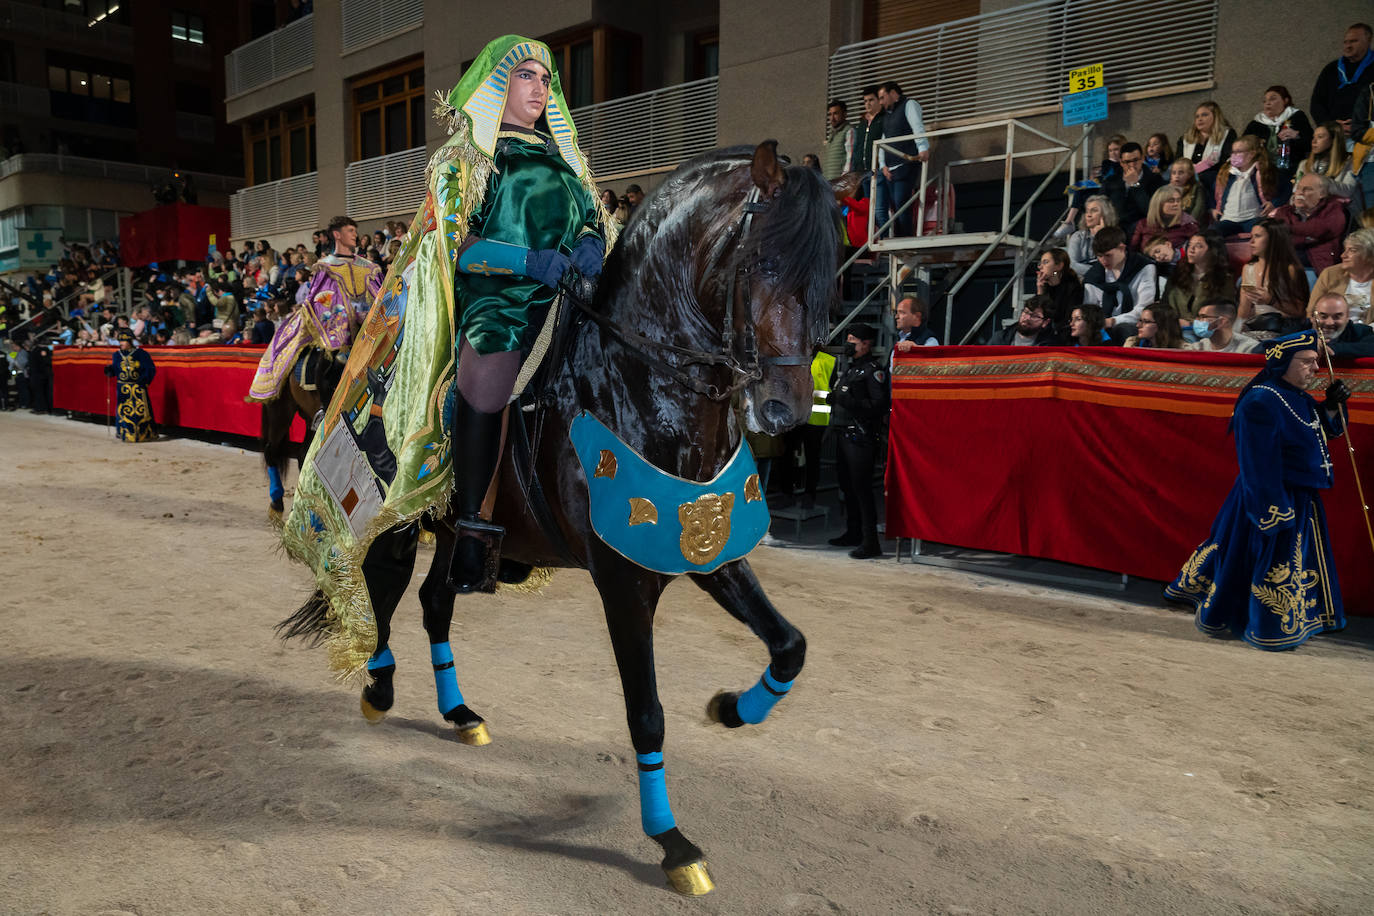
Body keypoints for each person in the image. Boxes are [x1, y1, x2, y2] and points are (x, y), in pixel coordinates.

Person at [1166, 330, 1348, 651]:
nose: (1316, 369)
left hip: (1301, 496)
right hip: (1271, 498)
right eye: (1307, 362)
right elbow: (1257, 464)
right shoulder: (1261, 400)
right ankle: (1267, 627)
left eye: (1316, 362)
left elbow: (1321, 432)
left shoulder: (1297, 396)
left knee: (1286, 561)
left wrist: (1332, 407)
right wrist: (1273, 509)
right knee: (1265, 559)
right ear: (1283, 364)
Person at [247, 214, 382, 402]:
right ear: (337, 235)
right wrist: (354, 315)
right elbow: (320, 301)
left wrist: (376, 310)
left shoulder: (368, 267)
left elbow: (380, 294)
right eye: (350, 231)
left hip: (371, 324)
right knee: (331, 365)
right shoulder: (325, 267)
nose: (354, 235)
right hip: (340, 326)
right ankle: (326, 409)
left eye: (355, 231)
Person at [827, 322, 888, 559]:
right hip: (844, 436)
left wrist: (846, 399)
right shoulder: (851, 370)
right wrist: (836, 398)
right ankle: (853, 533)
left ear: (866, 343)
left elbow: (878, 406)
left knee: (861, 490)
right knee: (848, 488)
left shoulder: (873, 371)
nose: (848, 345)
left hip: (861, 439)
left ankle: (871, 541)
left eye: (853, 341)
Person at [777, 348, 836, 511]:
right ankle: (787, 493)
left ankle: (809, 495)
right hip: (793, 416)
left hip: (815, 418)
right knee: (787, 455)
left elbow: (832, 390)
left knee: (812, 458)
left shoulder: (828, 360)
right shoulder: (791, 356)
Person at [874, 80, 930, 238]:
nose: (881, 102)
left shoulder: (909, 104)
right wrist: (883, 164)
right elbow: (884, 140)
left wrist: (923, 148)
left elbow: (917, 126)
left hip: (907, 163)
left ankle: (905, 238)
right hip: (891, 168)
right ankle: (900, 238)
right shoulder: (887, 116)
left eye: (882, 97)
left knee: (901, 203)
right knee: (896, 206)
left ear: (893, 94)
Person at [1238, 219, 1310, 335]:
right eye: (1251, 236)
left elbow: (1299, 311)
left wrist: (1271, 301)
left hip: (1284, 328)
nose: (1251, 241)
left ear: (1273, 240)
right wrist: (1236, 330)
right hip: (1257, 326)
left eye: (1257, 236)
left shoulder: (1290, 270)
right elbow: (1244, 308)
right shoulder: (1248, 268)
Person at [1082, 225, 1157, 334]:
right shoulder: (1094, 276)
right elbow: (1089, 310)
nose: (1103, 260)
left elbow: (1144, 308)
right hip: (1101, 326)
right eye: (1099, 256)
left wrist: (1113, 321)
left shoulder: (1143, 267)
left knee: (1122, 330)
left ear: (1122, 248)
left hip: (1135, 325)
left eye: (1108, 255)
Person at [1272, 173, 1348, 272]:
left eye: (1307, 189)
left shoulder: (1333, 209)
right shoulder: (1284, 212)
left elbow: (1322, 230)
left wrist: (1292, 229)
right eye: (1298, 188)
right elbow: (1280, 237)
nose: (1300, 193)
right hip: (1286, 264)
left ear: (1322, 194)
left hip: (1319, 266)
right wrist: (1307, 237)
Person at [1242, 85, 1313, 189]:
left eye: (1273, 99)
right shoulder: (1256, 123)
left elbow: (1310, 143)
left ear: (1285, 100)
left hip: (1291, 166)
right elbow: (1242, 145)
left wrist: (1296, 136)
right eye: (1264, 101)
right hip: (1262, 167)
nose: (1268, 103)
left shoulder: (1297, 117)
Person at [1309, 23, 1374, 129]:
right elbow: (1317, 104)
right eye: (1345, 42)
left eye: (1353, 41)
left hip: (1368, 136)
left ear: (1368, 41)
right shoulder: (1331, 69)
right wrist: (1331, 126)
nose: (1348, 46)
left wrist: (1362, 126)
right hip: (1336, 136)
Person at [1165, 231, 1235, 330]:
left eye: (1198, 246)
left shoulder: (1223, 279)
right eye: (1189, 245)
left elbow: (1225, 314)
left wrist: (1191, 325)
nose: (1191, 250)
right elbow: (1165, 306)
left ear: (1212, 251)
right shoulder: (1177, 274)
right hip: (1174, 330)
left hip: (1207, 333)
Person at [1212, 134, 1276, 236]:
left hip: (1253, 218)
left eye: (1238, 152)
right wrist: (1213, 209)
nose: (1234, 155)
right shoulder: (1227, 173)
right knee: (1212, 232)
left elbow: (1286, 188)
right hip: (1229, 219)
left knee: (1264, 231)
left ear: (1251, 154)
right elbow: (1213, 192)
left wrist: (1274, 203)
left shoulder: (1262, 171)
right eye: (1233, 152)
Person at [1308, 228, 1374, 322]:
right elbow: (1312, 312)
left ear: (1370, 255)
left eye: (1352, 250)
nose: (1343, 255)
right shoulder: (1330, 274)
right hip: (1332, 331)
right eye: (1345, 249)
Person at [1103, 141, 1164, 239]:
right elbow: (1104, 205)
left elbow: (1151, 212)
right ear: (1121, 162)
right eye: (1127, 162)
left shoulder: (1155, 180)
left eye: (1135, 160)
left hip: (1142, 229)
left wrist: (1135, 185)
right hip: (1115, 228)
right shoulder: (1111, 181)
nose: (1132, 165)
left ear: (1142, 159)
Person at [103, 328, 156, 441]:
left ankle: (143, 433)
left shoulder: (141, 354)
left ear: (130, 341)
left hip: (138, 388)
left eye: (123, 341)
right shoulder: (117, 355)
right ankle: (124, 432)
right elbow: (116, 369)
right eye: (120, 341)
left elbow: (150, 369)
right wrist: (110, 370)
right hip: (123, 388)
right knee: (123, 410)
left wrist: (144, 381)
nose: (121, 343)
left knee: (141, 411)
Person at [1177, 101, 1237, 189]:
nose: (1199, 119)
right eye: (1197, 116)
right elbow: (1178, 162)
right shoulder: (1185, 139)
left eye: (1204, 115)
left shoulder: (1227, 134)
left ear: (1215, 117)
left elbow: (1226, 161)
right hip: (1189, 179)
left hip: (1213, 179)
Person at [1295, 121, 1359, 200]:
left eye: (1320, 137)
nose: (1314, 141)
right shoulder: (1304, 164)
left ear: (1333, 140)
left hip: (1338, 210)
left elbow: (1348, 190)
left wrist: (1320, 181)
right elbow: (1296, 190)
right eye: (1313, 137)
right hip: (1310, 210)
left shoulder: (1350, 161)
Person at [1128, 186, 1198, 254]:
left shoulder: (1189, 225)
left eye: (1178, 200)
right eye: (1171, 201)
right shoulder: (1143, 224)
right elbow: (1133, 251)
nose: (1176, 204)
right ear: (1159, 203)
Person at [1033, 247, 1082, 333]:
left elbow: (1062, 317)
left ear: (1059, 266)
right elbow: (1036, 315)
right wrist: (1040, 290)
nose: (1040, 267)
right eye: (1040, 263)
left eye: (1045, 262)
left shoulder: (1073, 287)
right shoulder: (1044, 287)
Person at [1067, 194, 1118, 276]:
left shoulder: (1116, 236)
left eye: (1094, 210)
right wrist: (1099, 272)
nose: (1088, 215)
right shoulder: (1078, 236)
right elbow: (1071, 265)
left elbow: (1115, 265)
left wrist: (1102, 236)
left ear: (1105, 214)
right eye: (1087, 211)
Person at [1312, 291, 1374, 357]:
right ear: (1312, 316)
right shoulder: (1302, 329)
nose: (1329, 323)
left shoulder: (1361, 332)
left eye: (1337, 317)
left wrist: (1333, 348)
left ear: (1347, 317)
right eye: (1323, 316)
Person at [1192, 299, 1259, 353]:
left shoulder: (1250, 349)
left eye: (1203, 316)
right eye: (1198, 317)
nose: (1197, 320)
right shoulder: (1199, 347)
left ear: (1222, 321)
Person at [989, 296, 1059, 346]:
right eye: (1026, 312)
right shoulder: (1000, 338)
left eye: (1034, 316)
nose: (1027, 318)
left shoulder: (1050, 345)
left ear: (1045, 322)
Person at [1168, 158, 1212, 227]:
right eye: (1174, 173)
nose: (1176, 176)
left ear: (1189, 174)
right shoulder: (1167, 190)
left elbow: (1198, 210)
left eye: (1181, 173)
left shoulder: (1197, 188)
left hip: (1190, 226)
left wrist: (1188, 225)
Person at [822, 99, 857, 180]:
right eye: (830, 114)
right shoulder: (832, 135)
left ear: (844, 114)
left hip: (840, 183)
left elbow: (850, 158)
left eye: (835, 114)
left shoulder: (849, 131)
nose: (832, 118)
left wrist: (843, 179)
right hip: (829, 182)